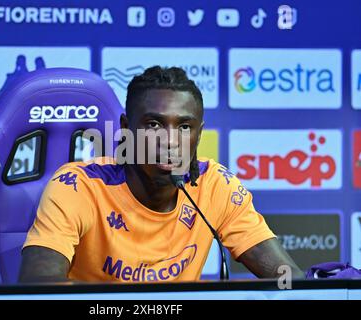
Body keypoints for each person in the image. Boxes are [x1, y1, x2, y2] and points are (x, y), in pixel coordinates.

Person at [19, 66, 304, 283]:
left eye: (183, 127)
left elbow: (287, 278)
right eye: (154, 124)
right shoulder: (78, 186)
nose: (170, 141)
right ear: (127, 128)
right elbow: (39, 286)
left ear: (199, 134)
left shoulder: (215, 186)